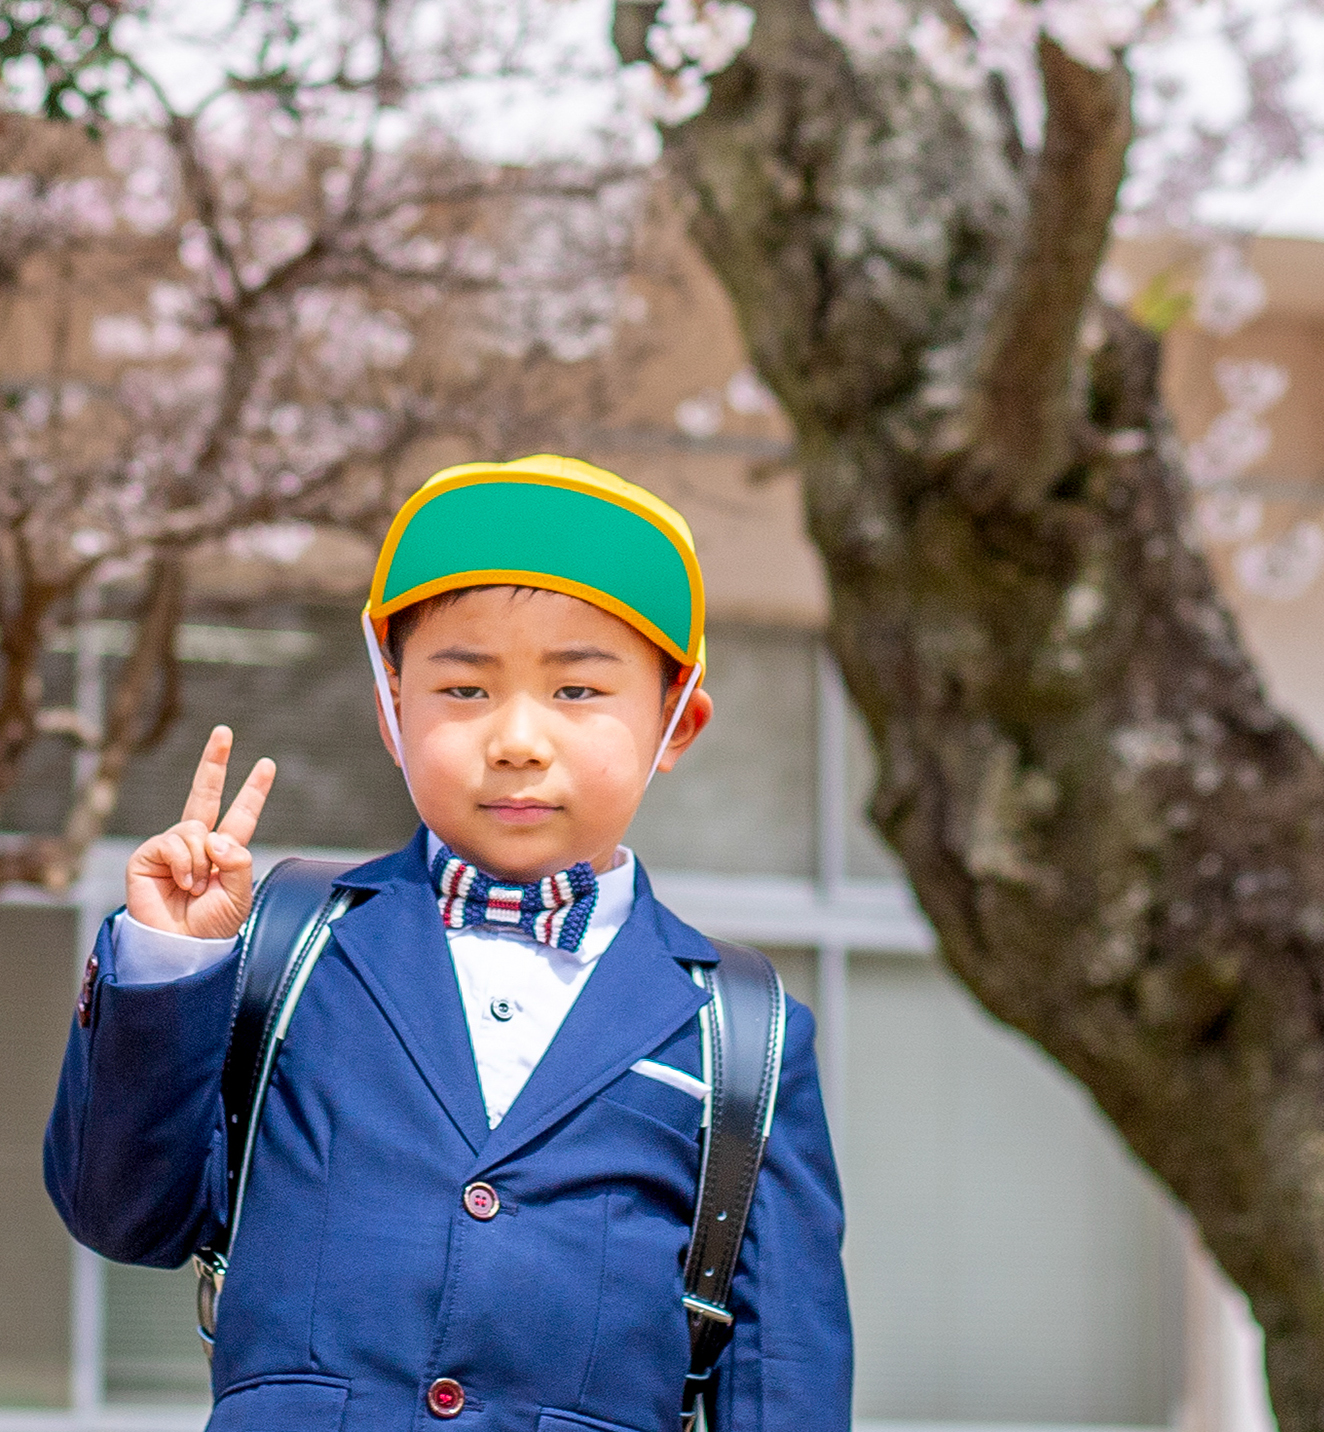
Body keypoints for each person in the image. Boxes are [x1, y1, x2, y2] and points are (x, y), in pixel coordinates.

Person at [45, 454, 852, 1432]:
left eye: (577, 690)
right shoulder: (287, 951)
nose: (517, 737)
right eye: (464, 689)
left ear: (677, 721)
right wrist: (171, 962)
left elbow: (786, 1372)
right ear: (391, 706)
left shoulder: (743, 1032)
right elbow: (123, 1213)